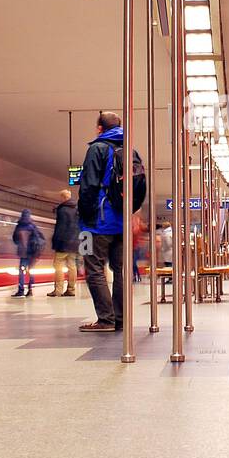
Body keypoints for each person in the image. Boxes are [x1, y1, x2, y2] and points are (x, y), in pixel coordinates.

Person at [76, 111, 145, 332]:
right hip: (122, 221)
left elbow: (88, 186)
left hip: (98, 222)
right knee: (121, 270)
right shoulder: (130, 151)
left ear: (99, 128)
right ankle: (121, 318)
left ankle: (106, 319)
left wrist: (85, 217)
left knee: (93, 268)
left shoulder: (97, 149)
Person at [48, 189, 79, 297]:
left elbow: (60, 228)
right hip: (74, 243)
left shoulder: (62, 210)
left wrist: (55, 241)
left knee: (58, 266)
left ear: (63, 198)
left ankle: (58, 290)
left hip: (63, 243)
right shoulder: (77, 208)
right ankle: (71, 290)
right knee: (72, 266)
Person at [11, 209, 44, 297]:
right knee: (31, 271)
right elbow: (39, 239)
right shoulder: (33, 226)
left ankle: (21, 290)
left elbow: (14, 238)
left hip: (23, 253)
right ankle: (30, 289)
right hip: (32, 253)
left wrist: (20, 244)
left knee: (21, 271)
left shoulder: (18, 226)